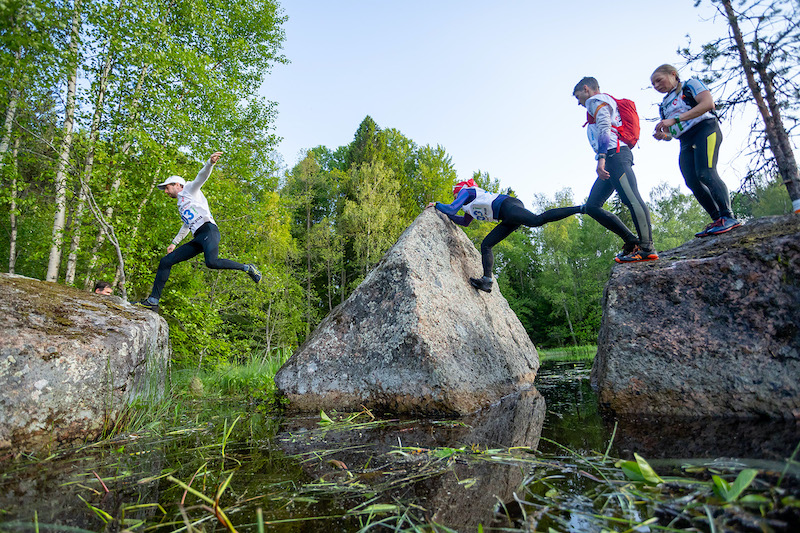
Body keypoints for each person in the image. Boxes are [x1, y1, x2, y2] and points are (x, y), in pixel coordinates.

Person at [137, 152, 261, 311]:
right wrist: (174, 243)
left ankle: (247, 268)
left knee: (211, 262)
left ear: (177, 185)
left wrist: (210, 163)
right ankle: (153, 301)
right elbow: (186, 225)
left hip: (209, 231)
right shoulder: (181, 204)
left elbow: (201, 177)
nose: (166, 192)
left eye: (167, 188)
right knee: (166, 261)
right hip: (198, 237)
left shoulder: (189, 189)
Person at [428, 179, 581, 292]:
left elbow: (452, 208)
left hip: (508, 205)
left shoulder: (467, 192)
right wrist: (446, 215)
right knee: (486, 245)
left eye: (455, 195)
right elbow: (464, 222)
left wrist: (437, 205)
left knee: (536, 220)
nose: (456, 198)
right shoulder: (469, 207)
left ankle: (581, 208)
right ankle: (487, 281)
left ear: (459, 191)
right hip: (507, 218)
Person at [573, 77, 658, 263]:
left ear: (586, 89)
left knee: (632, 198)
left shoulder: (595, 101)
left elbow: (605, 127)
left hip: (615, 155)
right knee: (592, 206)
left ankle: (646, 247)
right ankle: (631, 241)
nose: (579, 103)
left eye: (578, 97)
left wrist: (601, 158)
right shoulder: (602, 101)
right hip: (613, 157)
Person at [651, 64, 741, 237]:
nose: (656, 86)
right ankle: (717, 219)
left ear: (673, 74)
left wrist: (675, 119)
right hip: (685, 140)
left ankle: (728, 216)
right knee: (692, 181)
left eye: (659, 80)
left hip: (705, 129)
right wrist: (664, 136)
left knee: (705, 173)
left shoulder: (690, 85)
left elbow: (708, 104)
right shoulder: (663, 105)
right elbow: (671, 133)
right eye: (653, 84)